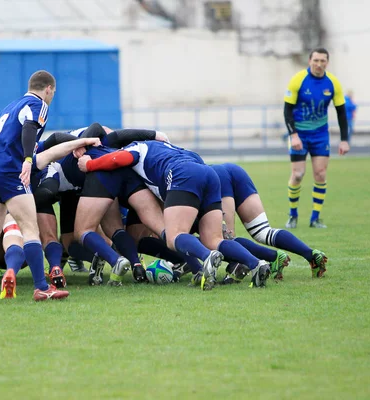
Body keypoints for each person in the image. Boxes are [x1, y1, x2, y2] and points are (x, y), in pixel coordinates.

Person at [78, 141, 272, 290]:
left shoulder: (137, 147)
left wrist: (91, 164)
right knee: (213, 238)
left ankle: (207, 258)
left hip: (182, 175)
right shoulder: (169, 147)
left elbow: (119, 159)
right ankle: (256, 264)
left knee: (174, 236)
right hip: (208, 174)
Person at [0, 71, 70, 303]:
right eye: (53, 93)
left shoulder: (10, 107)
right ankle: (41, 288)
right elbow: (29, 129)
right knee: (30, 230)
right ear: (48, 88)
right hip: (10, 173)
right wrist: (27, 160)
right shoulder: (38, 105)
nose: (52, 97)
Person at [211, 163, 328, 279]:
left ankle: (243, 268)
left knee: (225, 238)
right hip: (234, 170)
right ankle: (310, 254)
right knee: (263, 231)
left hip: (214, 177)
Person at [284, 48, 350, 229]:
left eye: (323, 61)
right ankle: (293, 215)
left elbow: (341, 113)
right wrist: (293, 134)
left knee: (320, 174)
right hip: (299, 134)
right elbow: (287, 110)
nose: (319, 64)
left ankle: (315, 218)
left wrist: (344, 139)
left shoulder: (333, 83)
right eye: (316, 61)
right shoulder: (298, 80)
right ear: (309, 61)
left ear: (327, 63)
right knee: (297, 174)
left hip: (320, 135)